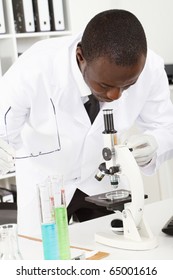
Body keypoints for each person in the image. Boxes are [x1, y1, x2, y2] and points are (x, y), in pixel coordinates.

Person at [0, 9, 173, 238]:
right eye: (104, 85)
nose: (115, 96)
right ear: (81, 57)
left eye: (127, 86)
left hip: (103, 181)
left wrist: (153, 143)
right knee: (43, 257)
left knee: (116, 255)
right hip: (46, 181)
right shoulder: (35, 68)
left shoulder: (149, 67)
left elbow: (166, 126)